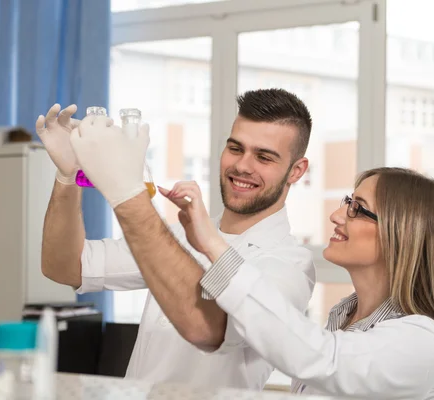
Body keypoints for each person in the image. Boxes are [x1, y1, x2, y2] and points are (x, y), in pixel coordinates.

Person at [69, 109, 434, 400]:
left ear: (403, 235)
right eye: (347, 201)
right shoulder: (343, 315)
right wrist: (64, 177)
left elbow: (315, 356)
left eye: (357, 208)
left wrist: (133, 196)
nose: (336, 214)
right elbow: (71, 265)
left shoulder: (423, 340)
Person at [37, 89, 316, 390]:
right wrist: (68, 176)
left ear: (296, 171)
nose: (243, 166)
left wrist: (128, 193)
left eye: (264, 157)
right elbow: (64, 266)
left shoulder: (290, 266)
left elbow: (207, 327)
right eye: (236, 149)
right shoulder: (181, 234)